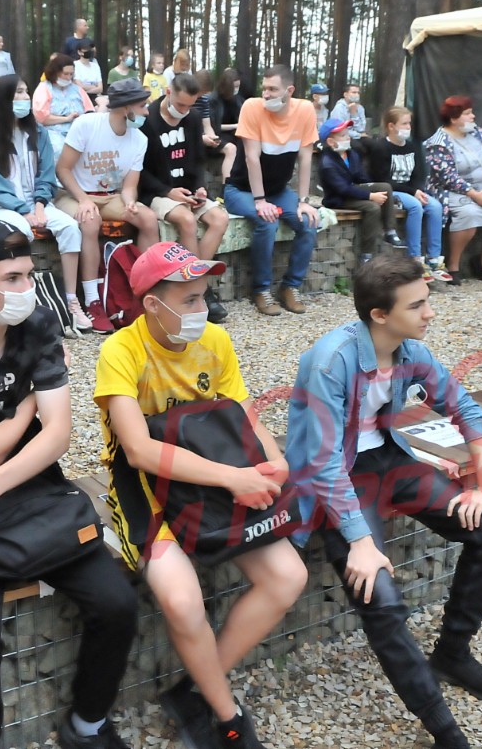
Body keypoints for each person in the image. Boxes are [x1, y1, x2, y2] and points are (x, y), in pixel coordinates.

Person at [0, 218, 138, 749]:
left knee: (117, 603)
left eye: (29, 275)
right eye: (11, 278)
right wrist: (32, 400)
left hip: (33, 490)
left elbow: (59, 437)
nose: (26, 289)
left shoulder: (37, 323)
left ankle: (87, 724)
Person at [287, 253, 482, 749]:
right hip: (336, 475)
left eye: (426, 300)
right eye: (417, 305)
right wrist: (360, 541)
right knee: (380, 596)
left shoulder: (410, 350)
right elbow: (324, 462)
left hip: (389, 458)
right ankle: (442, 728)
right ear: (379, 315)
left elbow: (462, 405)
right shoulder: (330, 361)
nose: (430, 312)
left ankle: (452, 654)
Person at [96, 240, 308, 749]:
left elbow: (243, 412)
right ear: (152, 304)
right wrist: (232, 478)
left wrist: (273, 461)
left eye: (204, 296)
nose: (203, 308)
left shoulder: (215, 340)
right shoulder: (119, 351)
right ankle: (228, 715)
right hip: (144, 487)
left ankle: (193, 689)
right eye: (189, 299)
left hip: (211, 470)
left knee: (288, 576)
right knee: (182, 600)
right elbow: (139, 451)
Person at [0, 74, 95, 332]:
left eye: (26, 92)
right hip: (4, 206)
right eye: (18, 93)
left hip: (38, 204)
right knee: (22, 231)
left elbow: (46, 173)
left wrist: (39, 205)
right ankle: (27, 301)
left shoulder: (38, 131)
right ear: (4, 98)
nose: (24, 98)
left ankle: (71, 301)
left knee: (70, 228)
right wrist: (23, 210)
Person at [55, 77, 160, 333]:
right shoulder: (87, 125)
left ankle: (147, 289)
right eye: (143, 106)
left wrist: (131, 203)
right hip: (73, 194)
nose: (147, 112)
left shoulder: (139, 139)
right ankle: (93, 301)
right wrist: (83, 199)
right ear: (126, 108)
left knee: (147, 218)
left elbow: (129, 186)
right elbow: (63, 169)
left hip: (111, 196)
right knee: (90, 221)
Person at [223, 64, 320, 315]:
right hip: (241, 190)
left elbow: (306, 158)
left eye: (273, 89)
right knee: (268, 221)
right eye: (264, 88)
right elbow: (251, 158)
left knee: (309, 221)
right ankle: (261, 290)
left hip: (278, 191)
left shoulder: (305, 110)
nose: (266, 94)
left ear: (290, 90)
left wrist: (304, 201)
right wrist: (260, 200)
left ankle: (291, 287)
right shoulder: (252, 107)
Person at [140, 72, 230, 322]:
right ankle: (197, 290)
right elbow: (139, 170)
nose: (184, 111)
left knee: (220, 219)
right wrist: (167, 192)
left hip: (188, 190)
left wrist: (200, 188)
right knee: (187, 220)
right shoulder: (148, 120)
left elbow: (198, 160)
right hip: (157, 191)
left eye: (189, 106)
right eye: (180, 105)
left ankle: (195, 285)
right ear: (168, 92)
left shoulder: (192, 118)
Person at [424, 96, 482, 284]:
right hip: (452, 192)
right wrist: (473, 194)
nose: (473, 116)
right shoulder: (438, 142)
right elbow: (447, 177)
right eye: (467, 113)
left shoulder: (477, 132)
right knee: (469, 214)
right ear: (453, 118)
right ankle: (453, 265)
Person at [366, 106, 452, 284]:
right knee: (415, 206)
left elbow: (418, 175)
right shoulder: (381, 147)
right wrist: (413, 192)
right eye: (404, 124)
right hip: (392, 191)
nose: (408, 127)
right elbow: (382, 179)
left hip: (412, 190)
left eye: (409, 123)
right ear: (391, 126)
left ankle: (434, 259)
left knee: (435, 206)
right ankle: (415, 258)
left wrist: (417, 190)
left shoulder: (412, 147)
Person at [317, 118, 402, 267]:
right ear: (331, 142)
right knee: (373, 207)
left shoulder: (351, 154)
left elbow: (361, 177)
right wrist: (370, 196)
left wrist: (372, 187)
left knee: (385, 187)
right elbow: (343, 189)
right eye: (343, 136)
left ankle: (390, 231)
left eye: (347, 134)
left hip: (352, 191)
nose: (348, 138)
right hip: (338, 199)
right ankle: (366, 255)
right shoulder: (327, 163)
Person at [33, 53, 93, 155]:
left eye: (71, 74)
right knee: (59, 150)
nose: (69, 77)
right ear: (55, 72)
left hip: (79, 131)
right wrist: (66, 119)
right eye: (65, 74)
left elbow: (90, 112)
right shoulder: (44, 88)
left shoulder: (77, 89)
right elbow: (42, 118)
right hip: (53, 133)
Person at [212, 68, 243, 182]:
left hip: (233, 135)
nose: (236, 90)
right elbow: (213, 126)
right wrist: (235, 126)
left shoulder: (238, 100)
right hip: (216, 136)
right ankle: (226, 185)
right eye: (234, 87)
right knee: (231, 149)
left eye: (238, 86)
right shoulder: (213, 100)